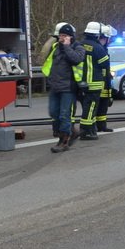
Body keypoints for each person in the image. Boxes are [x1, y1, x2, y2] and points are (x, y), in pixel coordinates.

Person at [41, 22, 86, 153]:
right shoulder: (56, 47)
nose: (61, 38)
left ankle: (64, 141)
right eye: (60, 35)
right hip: (55, 87)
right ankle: (73, 131)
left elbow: (76, 59)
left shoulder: (78, 47)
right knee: (53, 112)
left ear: (71, 37)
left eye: (64, 35)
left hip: (68, 87)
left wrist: (67, 47)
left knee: (64, 115)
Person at [76, 22, 109, 141]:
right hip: (94, 84)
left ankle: (91, 128)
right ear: (97, 35)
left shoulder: (79, 45)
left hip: (79, 83)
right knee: (90, 108)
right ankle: (87, 131)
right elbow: (105, 64)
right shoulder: (98, 48)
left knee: (86, 107)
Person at [95, 24, 117, 132]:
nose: (110, 40)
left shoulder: (103, 48)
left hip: (104, 82)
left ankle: (101, 126)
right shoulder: (98, 48)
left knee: (103, 105)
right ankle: (95, 126)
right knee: (97, 105)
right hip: (98, 82)